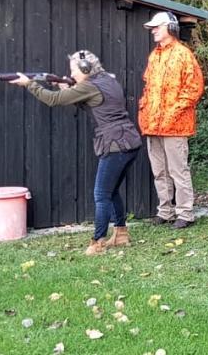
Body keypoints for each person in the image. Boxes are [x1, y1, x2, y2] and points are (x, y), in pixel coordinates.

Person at [9, 51, 142, 255]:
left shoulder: (88, 86)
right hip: (129, 141)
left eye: (74, 70)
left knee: (101, 194)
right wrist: (68, 88)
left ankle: (97, 242)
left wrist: (29, 84)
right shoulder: (108, 80)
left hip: (114, 144)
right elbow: (95, 104)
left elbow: (52, 99)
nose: (71, 73)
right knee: (111, 191)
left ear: (86, 69)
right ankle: (121, 234)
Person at [139, 11, 204, 229]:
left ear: (170, 28)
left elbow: (194, 89)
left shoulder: (183, 54)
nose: (153, 31)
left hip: (175, 126)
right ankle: (165, 211)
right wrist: (145, 110)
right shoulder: (154, 55)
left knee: (178, 170)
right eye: (152, 28)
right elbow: (149, 88)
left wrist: (171, 113)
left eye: (157, 27)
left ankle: (185, 213)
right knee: (159, 171)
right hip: (153, 125)